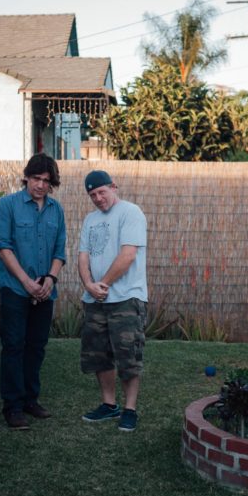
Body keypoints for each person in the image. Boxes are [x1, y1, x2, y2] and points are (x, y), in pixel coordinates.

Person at [0, 153, 66, 430]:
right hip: (15, 290)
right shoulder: (8, 205)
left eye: (46, 181)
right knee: (13, 346)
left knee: (36, 347)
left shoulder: (56, 210)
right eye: (36, 178)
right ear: (27, 177)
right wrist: (26, 282)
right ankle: (12, 406)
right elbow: (2, 246)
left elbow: (60, 250)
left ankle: (30, 400)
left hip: (45, 292)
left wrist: (50, 279)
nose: (40, 185)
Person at [78, 170, 147, 433]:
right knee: (99, 354)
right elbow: (83, 256)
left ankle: (130, 409)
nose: (97, 198)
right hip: (95, 299)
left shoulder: (131, 213)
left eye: (101, 192)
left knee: (128, 355)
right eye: (92, 195)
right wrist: (88, 285)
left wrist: (102, 285)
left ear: (113, 187)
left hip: (126, 298)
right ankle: (109, 405)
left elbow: (128, 255)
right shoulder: (90, 219)